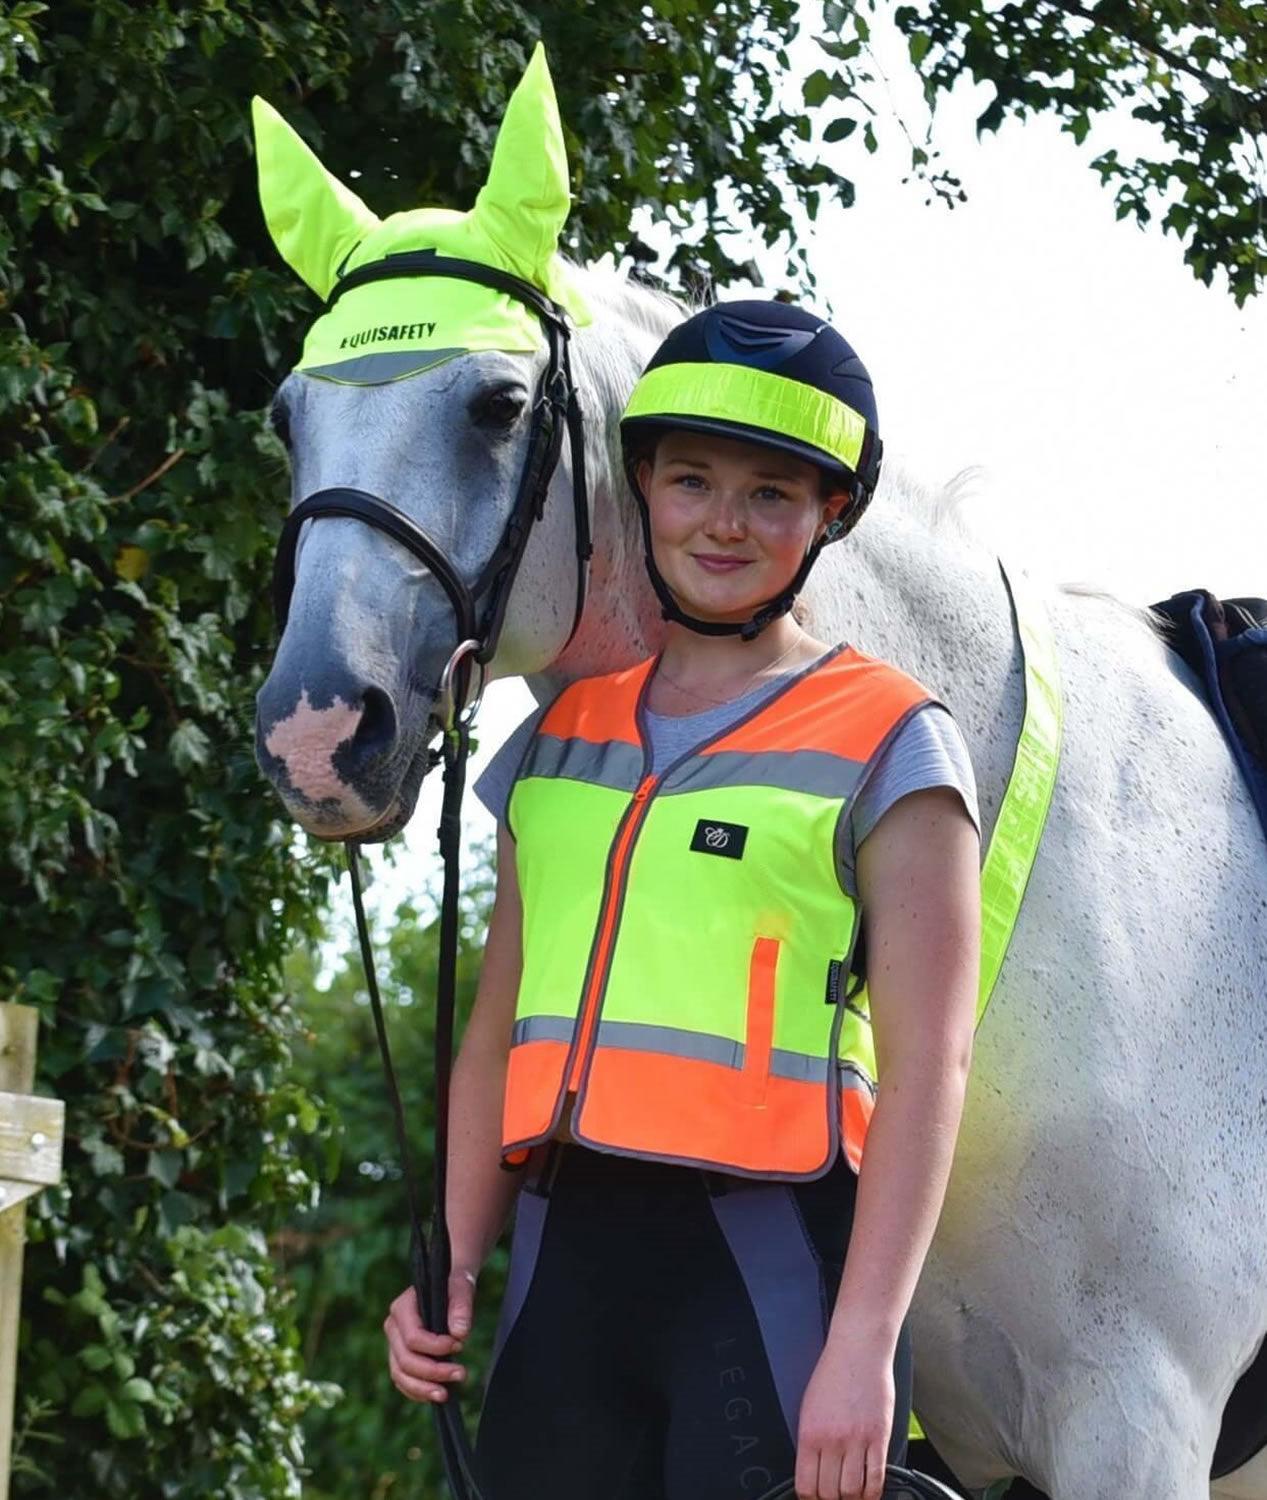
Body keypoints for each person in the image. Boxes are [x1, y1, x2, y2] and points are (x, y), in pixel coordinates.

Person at [383, 299, 982, 1500]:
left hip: (770, 1285)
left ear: (830, 515)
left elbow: (931, 1072)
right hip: (565, 1279)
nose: (724, 521)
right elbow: (498, 1030)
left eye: (772, 493)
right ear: (641, 484)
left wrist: (864, 1343)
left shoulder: (893, 742)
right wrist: (450, 1256)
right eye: (693, 479)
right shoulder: (560, 737)